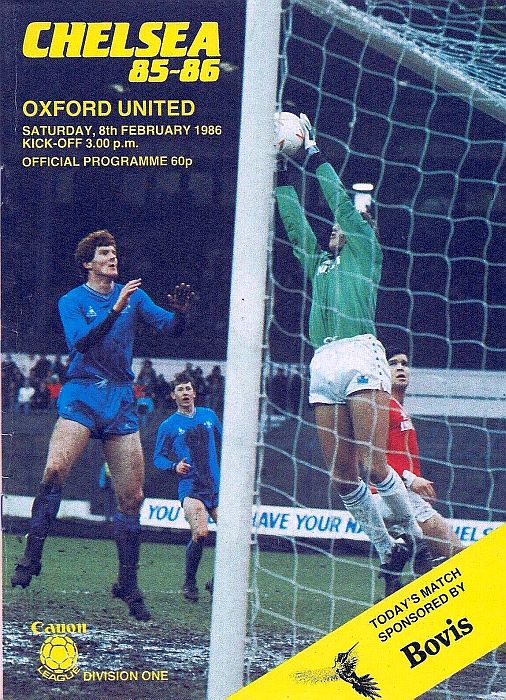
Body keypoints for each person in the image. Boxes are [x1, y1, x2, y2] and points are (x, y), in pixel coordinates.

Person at [275, 114, 432, 596]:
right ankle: (387, 548)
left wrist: (313, 154)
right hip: (322, 361)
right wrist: (281, 175)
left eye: (345, 224)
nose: (336, 227)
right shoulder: (319, 264)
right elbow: (296, 227)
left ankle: (417, 539)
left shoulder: (365, 251)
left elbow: (340, 204)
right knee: (342, 475)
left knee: (373, 465)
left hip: (362, 353)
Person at [11, 229, 196, 621]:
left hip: (119, 397)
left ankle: (127, 584)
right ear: (87, 263)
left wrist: (180, 314)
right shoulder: (73, 301)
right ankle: (31, 558)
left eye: (114, 252)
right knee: (55, 471)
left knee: (132, 497)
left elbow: (170, 329)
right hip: (82, 393)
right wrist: (115, 310)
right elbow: (81, 343)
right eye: (104, 253)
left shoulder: (134, 296)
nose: (113, 258)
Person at [377, 350, 464, 561]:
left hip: (401, 494)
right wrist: (410, 479)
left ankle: (398, 573)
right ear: (380, 370)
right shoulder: (380, 404)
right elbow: (370, 453)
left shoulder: (398, 408)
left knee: (430, 563)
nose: (400, 368)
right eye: (393, 363)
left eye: (404, 363)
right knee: (457, 554)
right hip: (390, 495)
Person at [153, 371, 221, 602]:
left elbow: (224, 442)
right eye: (180, 389)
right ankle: (190, 582)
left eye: (188, 388)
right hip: (191, 488)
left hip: (215, 486)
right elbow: (158, 458)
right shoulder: (169, 426)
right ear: (173, 396)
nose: (185, 393)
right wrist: (174, 466)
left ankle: (217, 581)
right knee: (201, 533)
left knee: (233, 537)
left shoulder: (209, 415)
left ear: (194, 392)